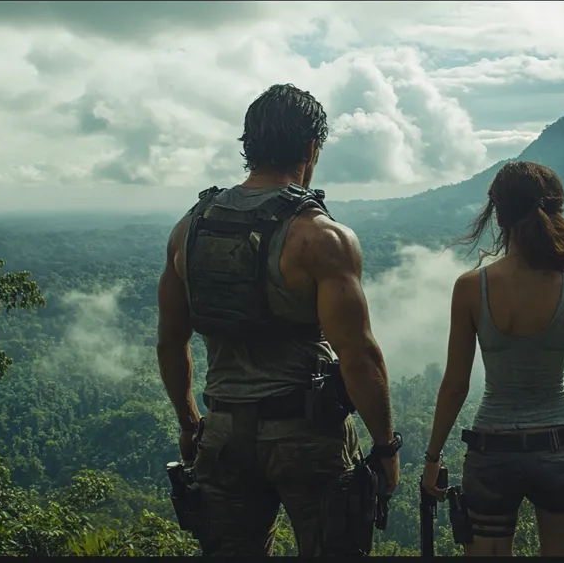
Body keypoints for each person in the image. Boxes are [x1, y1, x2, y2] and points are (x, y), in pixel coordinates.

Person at [156, 83, 400, 557]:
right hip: (308, 438)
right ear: (311, 148)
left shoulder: (190, 228)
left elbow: (170, 339)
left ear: (249, 146)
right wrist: (386, 447)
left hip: (223, 435)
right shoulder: (321, 238)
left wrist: (190, 423)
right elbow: (358, 355)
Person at [420, 161, 564, 557]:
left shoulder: (471, 289)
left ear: (498, 213)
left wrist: (432, 457)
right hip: (558, 451)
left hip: (490, 452)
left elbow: (455, 385)